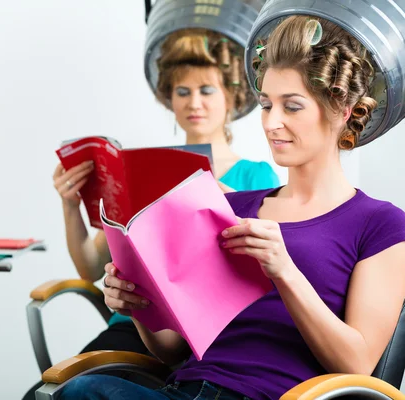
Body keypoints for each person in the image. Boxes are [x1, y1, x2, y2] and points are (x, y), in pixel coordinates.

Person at [58, 15, 405, 400]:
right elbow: (172, 349)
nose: (272, 123)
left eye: (291, 106)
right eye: (266, 104)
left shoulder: (381, 224)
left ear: (342, 110)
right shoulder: (227, 206)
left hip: (273, 395)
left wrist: (284, 271)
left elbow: (357, 365)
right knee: (84, 390)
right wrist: (138, 307)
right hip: (186, 389)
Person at [22, 28, 279, 400]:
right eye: (182, 92)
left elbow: (260, 275)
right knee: (41, 395)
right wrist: (70, 206)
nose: (195, 103)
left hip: (210, 336)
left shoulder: (256, 176)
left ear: (231, 97)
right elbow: (93, 267)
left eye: (206, 90)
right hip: (136, 323)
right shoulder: (145, 172)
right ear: (169, 100)